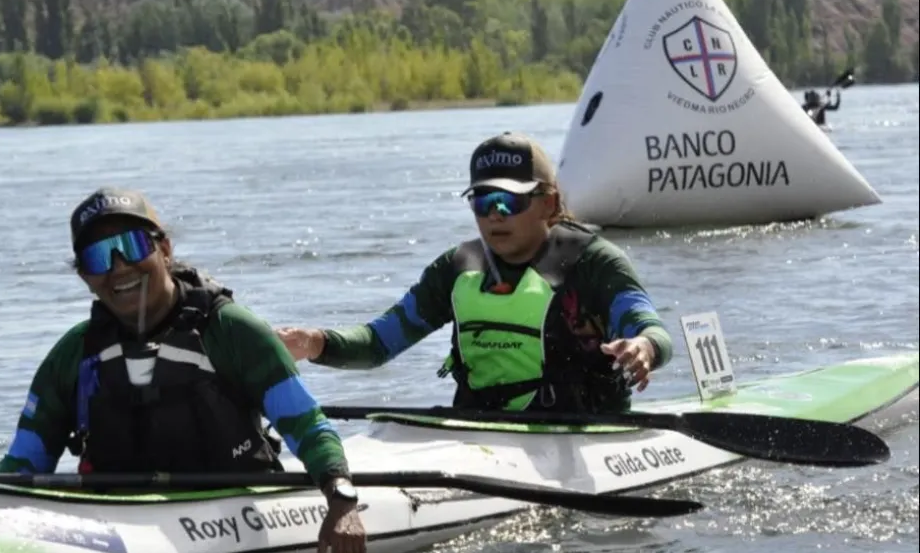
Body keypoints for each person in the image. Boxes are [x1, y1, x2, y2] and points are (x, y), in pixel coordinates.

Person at [0, 188, 366, 553]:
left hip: (234, 508)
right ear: (84, 276)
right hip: (113, 520)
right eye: (98, 256)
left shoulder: (233, 332)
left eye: (131, 245)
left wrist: (342, 503)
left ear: (164, 249)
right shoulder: (72, 356)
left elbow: (311, 428)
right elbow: (20, 468)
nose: (118, 267)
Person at [277, 133, 674, 413]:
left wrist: (643, 348)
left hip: (583, 431)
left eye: (508, 201)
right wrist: (314, 343)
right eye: (482, 201)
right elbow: (379, 343)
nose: (493, 216)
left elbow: (651, 328)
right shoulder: (457, 269)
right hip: (480, 431)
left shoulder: (594, 263)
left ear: (549, 203)